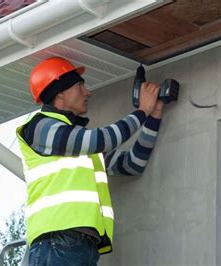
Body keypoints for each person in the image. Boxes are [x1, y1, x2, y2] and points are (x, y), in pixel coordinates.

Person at [16, 57, 164, 266]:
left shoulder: (79, 145)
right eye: (80, 86)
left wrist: (154, 116)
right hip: (57, 242)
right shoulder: (41, 128)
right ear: (60, 93)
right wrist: (142, 111)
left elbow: (133, 163)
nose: (87, 92)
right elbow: (101, 139)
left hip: (80, 246)